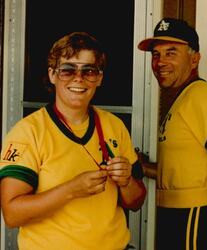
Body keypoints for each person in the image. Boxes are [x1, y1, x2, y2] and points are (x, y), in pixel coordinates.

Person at [0, 31, 146, 250]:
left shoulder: (114, 126)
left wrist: (126, 182)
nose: (78, 78)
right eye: (68, 70)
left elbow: (136, 202)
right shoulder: (28, 132)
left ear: (100, 78)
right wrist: (71, 190)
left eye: (89, 70)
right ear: (52, 75)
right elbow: (12, 214)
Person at [137, 17, 207, 250]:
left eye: (171, 53)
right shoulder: (183, 98)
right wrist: (141, 167)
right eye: (156, 55)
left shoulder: (201, 96)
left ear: (194, 58)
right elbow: (186, 168)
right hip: (177, 216)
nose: (160, 62)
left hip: (195, 217)